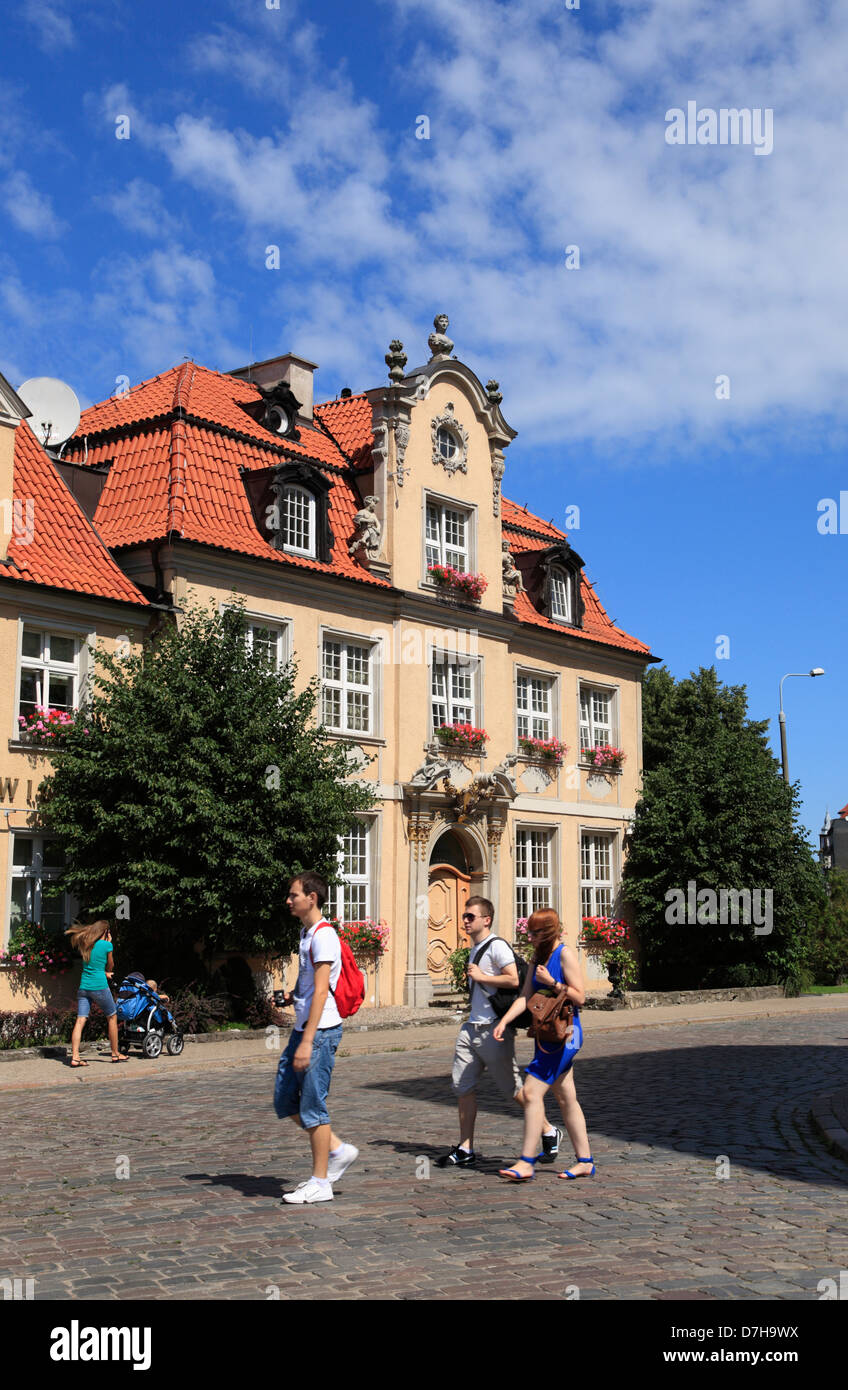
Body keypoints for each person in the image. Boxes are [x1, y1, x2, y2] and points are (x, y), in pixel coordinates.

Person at [436, 896, 562, 1167]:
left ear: (486, 919)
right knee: (462, 1086)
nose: (465, 921)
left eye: (471, 916)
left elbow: (514, 979)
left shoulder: (497, 947)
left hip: (494, 1029)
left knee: (514, 1089)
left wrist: (482, 977)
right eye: (464, 916)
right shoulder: (475, 947)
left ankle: (549, 1130)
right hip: (471, 1028)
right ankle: (465, 1147)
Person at [273, 872, 358, 1204]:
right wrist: (291, 996)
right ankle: (338, 1150)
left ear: (312, 898)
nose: (289, 900)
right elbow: (309, 984)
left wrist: (307, 1041)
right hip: (304, 1029)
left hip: (320, 1032)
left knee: (312, 1107)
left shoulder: (324, 936)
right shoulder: (306, 933)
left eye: (294, 895)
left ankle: (320, 1183)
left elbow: (323, 991)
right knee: (285, 1100)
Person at [494, 907, 594, 1181]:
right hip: (546, 1034)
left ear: (549, 932)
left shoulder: (564, 954)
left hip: (566, 1034)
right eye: (530, 932)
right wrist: (505, 1021)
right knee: (565, 1097)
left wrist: (553, 983)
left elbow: (580, 997)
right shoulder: (537, 957)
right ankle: (585, 1161)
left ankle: (527, 1161)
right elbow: (525, 997)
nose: (531, 937)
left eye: (537, 932)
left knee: (531, 1093)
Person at [64, 920, 128, 1066]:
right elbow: (110, 965)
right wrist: (109, 945)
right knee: (112, 1016)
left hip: (84, 987)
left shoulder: (86, 943)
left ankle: (74, 1057)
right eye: (109, 932)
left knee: (80, 1020)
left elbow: (93, 966)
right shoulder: (107, 945)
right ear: (105, 932)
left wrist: (102, 972)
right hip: (99, 987)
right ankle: (115, 1053)